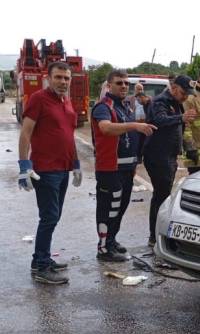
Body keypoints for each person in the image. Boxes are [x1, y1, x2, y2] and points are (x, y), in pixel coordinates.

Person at [17, 62, 81, 284]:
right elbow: (25, 133)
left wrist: (76, 164)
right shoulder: (38, 99)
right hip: (45, 169)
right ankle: (41, 266)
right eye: (58, 77)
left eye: (66, 78)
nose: (63, 82)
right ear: (48, 78)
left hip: (63, 169)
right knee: (49, 217)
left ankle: (41, 259)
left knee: (54, 216)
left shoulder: (67, 101)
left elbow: (68, 135)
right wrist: (24, 165)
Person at [91, 70, 156, 261]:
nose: (124, 86)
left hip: (127, 168)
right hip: (110, 168)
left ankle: (111, 240)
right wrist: (134, 126)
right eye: (119, 83)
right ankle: (103, 248)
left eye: (126, 83)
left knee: (121, 207)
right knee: (108, 208)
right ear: (109, 86)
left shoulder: (126, 107)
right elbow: (106, 128)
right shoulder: (103, 106)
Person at [143, 75, 196, 247]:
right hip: (158, 156)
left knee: (164, 196)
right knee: (161, 197)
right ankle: (155, 236)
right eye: (183, 93)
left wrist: (187, 147)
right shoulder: (160, 101)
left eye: (187, 94)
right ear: (173, 88)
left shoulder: (176, 103)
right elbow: (160, 120)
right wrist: (181, 118)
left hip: (170, 156)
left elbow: (180, 128)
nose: (185, 97)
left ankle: (159, 233)